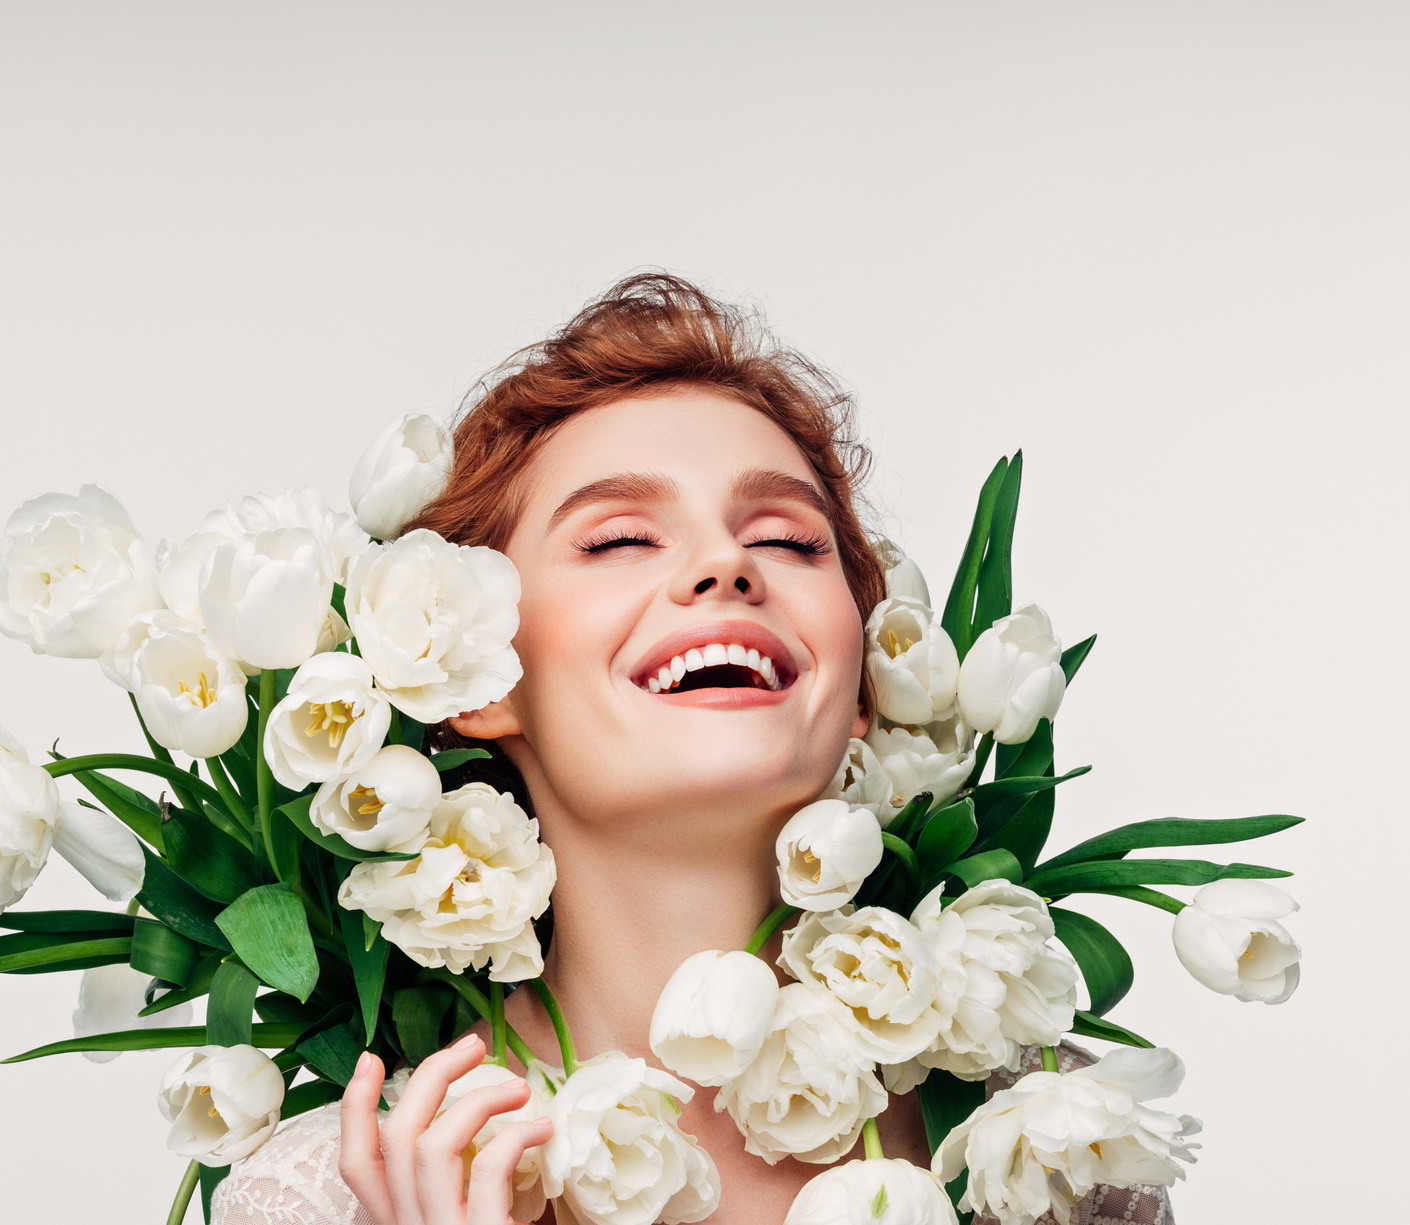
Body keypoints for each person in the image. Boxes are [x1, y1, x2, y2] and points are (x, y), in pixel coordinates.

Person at [209, 275, 1174, 1225]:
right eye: (622, 537)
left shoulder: (1052, 1146)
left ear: (862, 694)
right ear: (479, 677)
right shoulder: (333, 1194)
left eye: (791, 541)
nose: (727, 564)